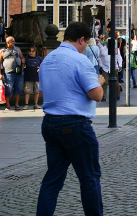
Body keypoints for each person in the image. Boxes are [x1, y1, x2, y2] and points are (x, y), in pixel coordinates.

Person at [36, 22, 105, 216]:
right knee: (89, 177)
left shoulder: (48, 59)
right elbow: (96, 95)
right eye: (87, 42)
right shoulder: (79, 60)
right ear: (81, 40)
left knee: (52, 179)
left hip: (50, 123)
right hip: (75, 125)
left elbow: (44, 92)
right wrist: (99, 81)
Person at [0, 36, 25, 111]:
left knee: (18, 89)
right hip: (8, 73)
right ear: (7, 42)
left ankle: (17, 104)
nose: (14, 43)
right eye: (12, 41)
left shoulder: (17, 49)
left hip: (18, 72)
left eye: (14, 41)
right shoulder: (2, 51)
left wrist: (22, 66)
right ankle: (7, 104)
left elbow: (22, 57)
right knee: (8, 89)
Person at [98, 38, 121, 102]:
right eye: (108, 43)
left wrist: (120, 65)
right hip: (105, 68)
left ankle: (117, 94)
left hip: (114, 67)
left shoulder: (116, 49)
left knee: (116, 82)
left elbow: (119, 57)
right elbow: (99, 58)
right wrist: (101, 65)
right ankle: (103, 96)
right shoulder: (102, 49)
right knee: (104, 82)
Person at [23, 45, 43, 110]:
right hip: (28, 77)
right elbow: (23, 67)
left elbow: (43, 66)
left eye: (33, 51)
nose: (31, 53)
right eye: (30, 51)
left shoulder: (39, 59)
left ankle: (36, 104)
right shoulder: (26, 59)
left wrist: (40, 68)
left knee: (36, 91)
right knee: (27, 91)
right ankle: (26, 104)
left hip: (37, 77)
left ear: (36, 52)